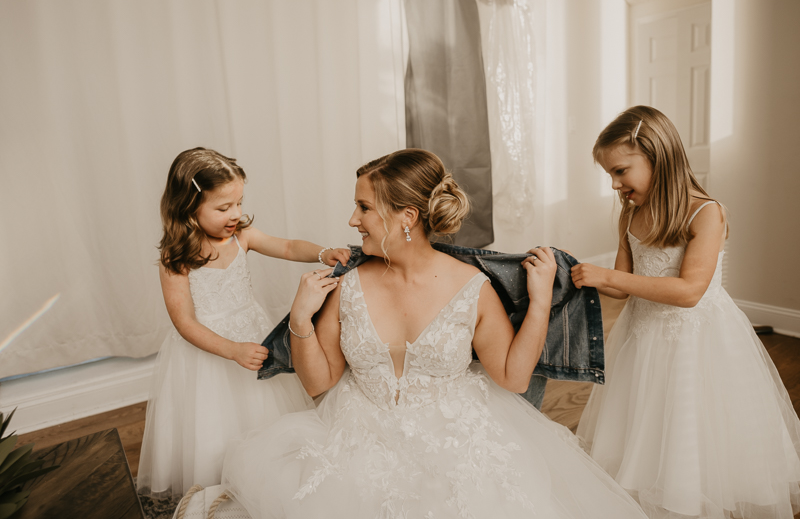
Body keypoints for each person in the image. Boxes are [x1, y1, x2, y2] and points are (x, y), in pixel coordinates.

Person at [221, 149, 647, 518]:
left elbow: (514, 379)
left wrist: (538, 302)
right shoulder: (347, 284)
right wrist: (300, 319)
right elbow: (320, 384)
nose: (353, 220)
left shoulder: (472, 289)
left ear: (407, 217)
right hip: (357, 436)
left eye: (364, 207)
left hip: (455, 442)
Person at [573, 106, 800, 518]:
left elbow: (689, 291)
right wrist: (582, 277)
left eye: (621, 171)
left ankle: (689, 499)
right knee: (646, 421)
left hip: (696, 342)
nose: (614, 184)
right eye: (609, 174)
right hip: (643, 338)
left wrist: (609, 276)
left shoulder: (705, 212)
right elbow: (623, 288)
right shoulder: (630, 212)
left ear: (656, 155)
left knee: (689, 424)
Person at [136, 148, 351, 497]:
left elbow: (286, 246)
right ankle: (218, 492)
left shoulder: (241, 236)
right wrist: (231, 350)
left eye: (238, 203)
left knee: (267, 417)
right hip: (208, 352)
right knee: (214, 426)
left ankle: (267, 478)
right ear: (188, 206)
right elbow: (185, 323)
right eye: (223, 208)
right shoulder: (175, 257)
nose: (235, 214)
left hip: (252, 334)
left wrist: (322, 252)